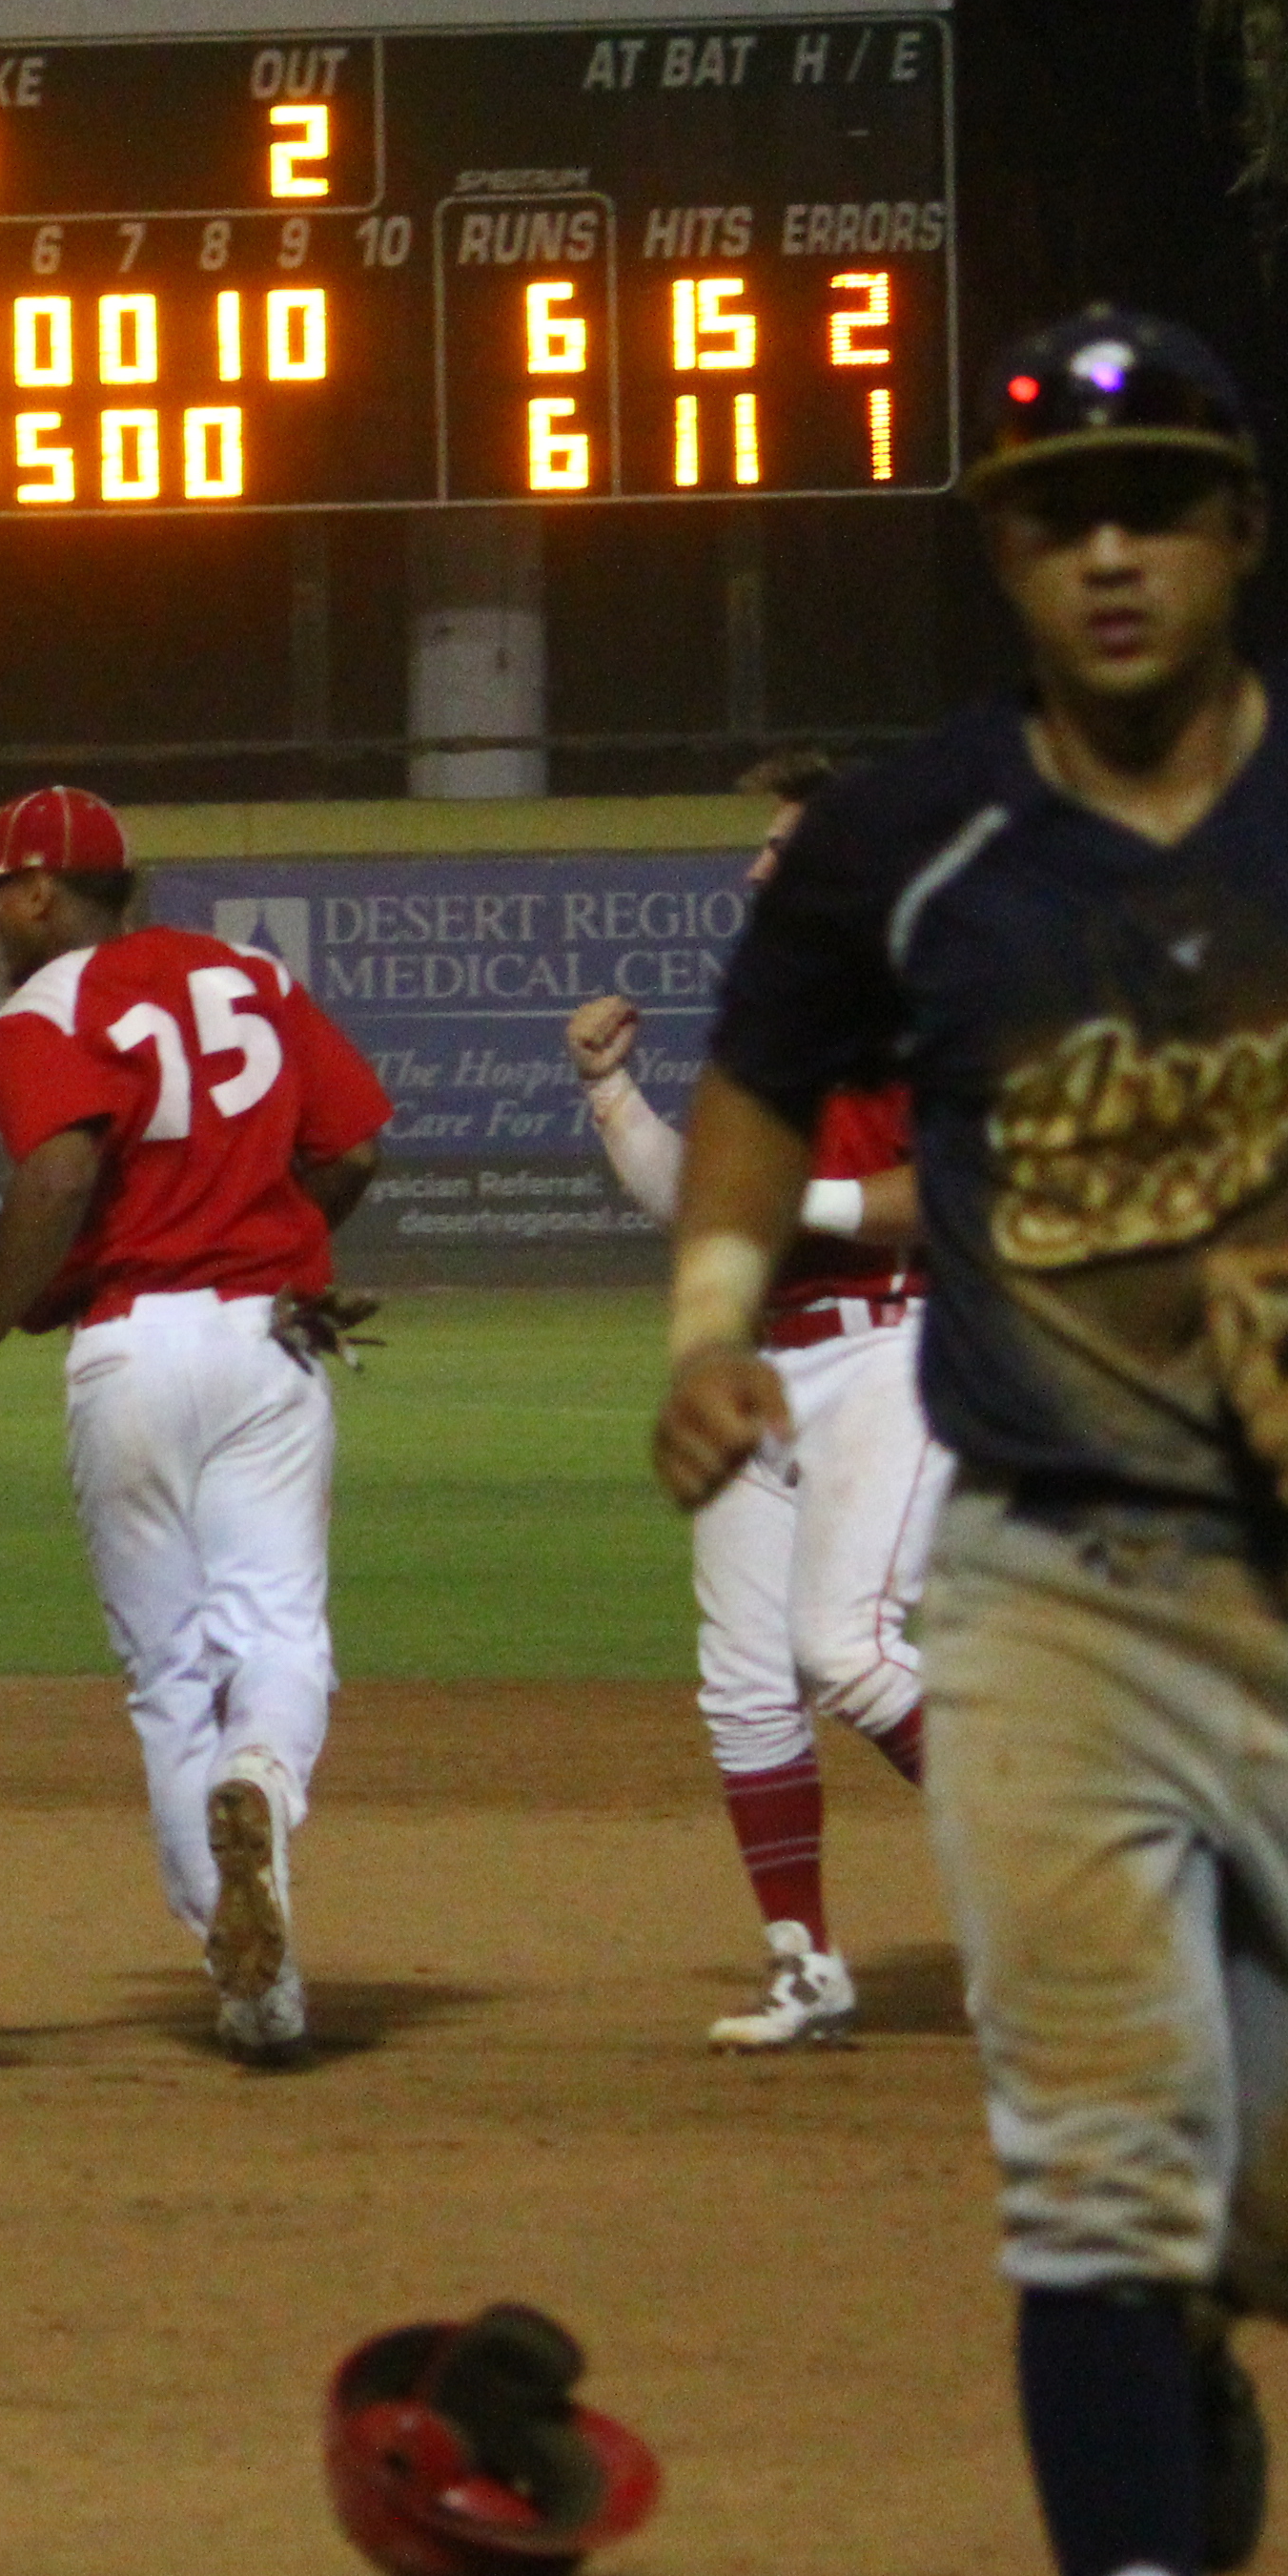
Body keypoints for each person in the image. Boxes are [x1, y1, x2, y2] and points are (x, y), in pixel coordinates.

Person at [661, 303, 1288, 2576]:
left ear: (1241, 530)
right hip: (1049, 1577)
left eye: (1158, 501)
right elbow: (761, 1064)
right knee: (1087, 2163)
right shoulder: (914, 835)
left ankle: (1207, 2337)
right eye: (1062, 511)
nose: (1110, 549)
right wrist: (708, 1323)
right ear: (1002, 547)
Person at [0, 787, 388, 2072]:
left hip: (129, 1349)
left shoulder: (40, 1015)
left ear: (49, 891)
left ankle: (248, 1984)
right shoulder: (253, 982)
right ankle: (265, 1795)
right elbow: (356, 1146)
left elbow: (59, 1175)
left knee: (173, 1680)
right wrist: (276, 1243)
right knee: (279, 1634)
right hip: (268, 1341)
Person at [567, 752, 940, 2050]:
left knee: (847, 1646)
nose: (756, 866)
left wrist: (800, 1204)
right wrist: (610, 1094)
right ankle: (805, 1964)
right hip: (765, 1366)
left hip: (896, 1345)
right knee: (743, 1684)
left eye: (783, 848)